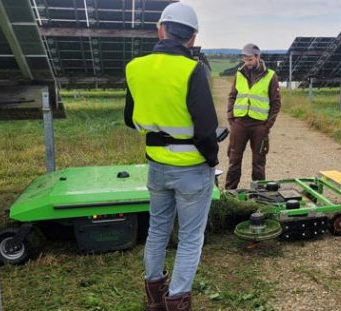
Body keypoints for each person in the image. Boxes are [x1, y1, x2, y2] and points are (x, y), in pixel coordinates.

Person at [124, 3, 218, 311]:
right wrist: (211, 160)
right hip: (192, 169)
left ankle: (154, 296)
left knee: (157, 230)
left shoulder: (134, 67)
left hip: (157, 166)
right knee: (190, 239)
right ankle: (177, 300)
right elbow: (205, 129)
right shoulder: (193, 70)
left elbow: (130, 118)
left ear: (161, 29)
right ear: (191, 38)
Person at [225, 43, 281, 189]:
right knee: (234, 160)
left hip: (259, 126)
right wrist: (231, 118)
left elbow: (276, 103)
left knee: (258, 162)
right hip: (239, 124)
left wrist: (267, 126)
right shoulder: (239, 74)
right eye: (245, 59)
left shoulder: (270, 76)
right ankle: (230, 192)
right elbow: (232, 96)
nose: (247, 62)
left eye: (250, 59)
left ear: (257, 57)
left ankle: (259, 194)